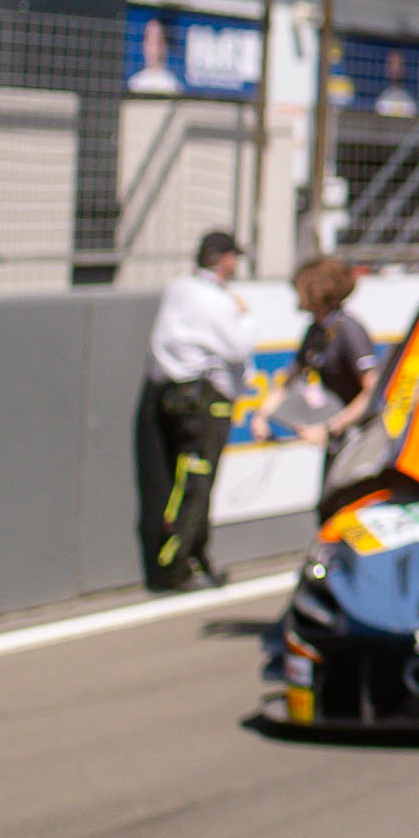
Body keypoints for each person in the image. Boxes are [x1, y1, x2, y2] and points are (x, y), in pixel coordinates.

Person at [139, 228, 254, 591]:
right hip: (204, 401)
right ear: (221, 260)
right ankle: (179, 567)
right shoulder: (218, 301)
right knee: (197, 483)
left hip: (169, 394)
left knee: (183, 481)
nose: (235, 264)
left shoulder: (179, 289)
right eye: (232, 257)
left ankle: (195, 559)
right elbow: (239, 347)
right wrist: (244, 315)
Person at [284, 253, 383, 440]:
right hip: (339, 434)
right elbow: (289, 380)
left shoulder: (348, 329)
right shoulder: (316, 331)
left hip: (360, 434)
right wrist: (262, 416)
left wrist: (331, 427)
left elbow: (373, 389)